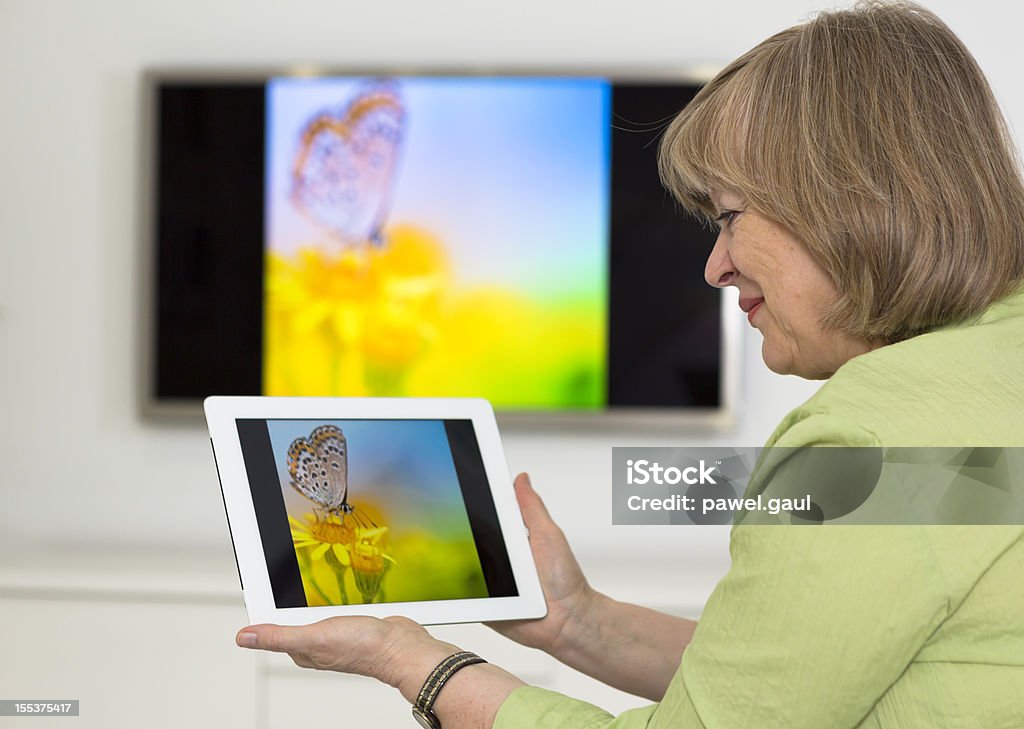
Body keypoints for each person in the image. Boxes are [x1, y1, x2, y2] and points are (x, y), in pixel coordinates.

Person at [234, 2, 1024, 726]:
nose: (716, 267)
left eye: (729, 217)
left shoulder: (866, 443)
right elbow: (789, 678)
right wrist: (577, 618)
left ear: (846, 201)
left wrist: (411, 661)